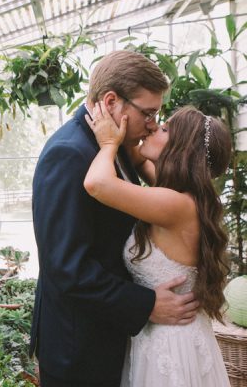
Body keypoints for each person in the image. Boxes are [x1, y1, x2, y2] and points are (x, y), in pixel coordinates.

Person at [30, 50, 200, 387]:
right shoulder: (70, 153)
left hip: (108, 337)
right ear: (111, 102)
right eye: (148, 113)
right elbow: (67, 267)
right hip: (79, 350)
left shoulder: (116, 144)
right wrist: (147, 304)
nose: (152, 124)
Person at [84, 103, 231, 386]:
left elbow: (97, 183)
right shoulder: (188, 197)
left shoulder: (175, 205)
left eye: (164, 128)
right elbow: (139, 161)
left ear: (181, 150)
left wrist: (108, 143)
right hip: (174, 336)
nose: (153, 126)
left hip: (170, 346)